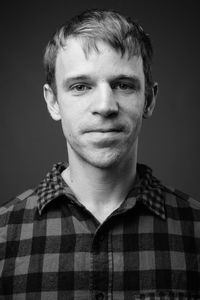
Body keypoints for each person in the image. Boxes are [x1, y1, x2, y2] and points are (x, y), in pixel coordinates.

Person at [0, 9, 199, 299]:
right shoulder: (4, 234)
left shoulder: (195, 230)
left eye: (123, 85)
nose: (105, 106)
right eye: (80, 86)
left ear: (150, 99)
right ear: (53, 102)